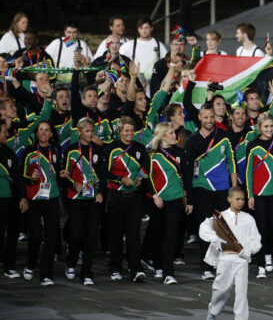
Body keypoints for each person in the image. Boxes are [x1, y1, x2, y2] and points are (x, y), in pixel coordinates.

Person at [184, 102, 237, 279]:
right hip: (201, 189)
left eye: (211, 117)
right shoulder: (192, 140)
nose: (209, 120)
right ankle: (206, 266)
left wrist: (234, 188)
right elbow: (188, 170)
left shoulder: (224, 136)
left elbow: (232, 162)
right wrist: (189, 196)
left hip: (223, 189)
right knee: (206, 228)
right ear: (199, 118)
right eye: (205, 117)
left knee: (224, 228)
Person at [200, 186, 261, 320]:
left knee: (241, 292)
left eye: (243, 199)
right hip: (225, 259)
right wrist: (215, 239)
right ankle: (213, 309)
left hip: (241, 261)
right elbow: (204, 227)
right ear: (229, 199)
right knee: (221, 289)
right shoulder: (220, 217)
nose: (241, 202)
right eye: (237, 199)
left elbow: (256, 239)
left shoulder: (249, 219)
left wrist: (250, 250)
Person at [101, 115, 149, 283]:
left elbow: (146, 167)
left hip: (135, 197)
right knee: (115, 234)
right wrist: (121, 180)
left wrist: (139, 178)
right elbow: (104, 172)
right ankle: (115, 267)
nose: (130, 133)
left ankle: (135, 269)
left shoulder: (140, 148)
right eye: (126, 130)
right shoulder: (111, 148)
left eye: (132, 130)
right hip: (116, 197)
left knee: (134, 235)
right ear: (119, 131)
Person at [148, 122, 193, 284]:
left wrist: (190, 201)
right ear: (163, 135)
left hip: (175, 200)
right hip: (157, 201)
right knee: (157, 235)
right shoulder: (151, 154)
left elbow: (188, 179)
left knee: (170, 236)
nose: (176, 136)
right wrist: (154, 195)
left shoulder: (182, 152)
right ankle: (159, 266)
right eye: (172, 133)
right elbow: (147, 178)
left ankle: (168, 272)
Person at [62, 118, 105, 285]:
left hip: (93, 199)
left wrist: (101, 193)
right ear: (79, 132)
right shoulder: (71, 150)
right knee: (76, 235)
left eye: (92, 131)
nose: (90, 134)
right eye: (87, 131)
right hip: (75, 199)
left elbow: (102, 174)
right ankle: (71, 262)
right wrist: (73, 184)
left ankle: (87, 272)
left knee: (92, 236)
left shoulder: (98, 150)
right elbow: (64, 174)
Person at [245, 113, 273, 278]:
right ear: (259, 128)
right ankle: (262, 263)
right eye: (266, 126)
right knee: (261, 229)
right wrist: (250, 195)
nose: (269, 129)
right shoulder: (253, 145)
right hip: (259, 195)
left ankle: (269, 250)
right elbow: (248, 171)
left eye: (271, 126)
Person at [22, 121, 62, 286]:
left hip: (52, 198)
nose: (44, 133)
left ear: (52, 134)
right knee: (36, 236)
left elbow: (59, 172)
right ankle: (30, 264)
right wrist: (30, 179)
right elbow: (22, 176)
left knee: (52, 237)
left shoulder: (57, 151)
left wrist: (63, 175)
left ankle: (46, 274)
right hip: (34, 198)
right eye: (41, 130)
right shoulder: (29, 152)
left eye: (47, 130)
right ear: (36, 133)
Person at [0, 120, 28, 279]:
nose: (6, 134)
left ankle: (9, 267)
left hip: (9, 200)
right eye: (3, 131)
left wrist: (23, 197)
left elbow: (18, 177)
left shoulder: (8, 153)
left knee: (12, 233)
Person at [119, 17, 168, 88]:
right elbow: (119, 60)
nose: (144, 31)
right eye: (141, 28)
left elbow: (166, 63)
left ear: (151, 28)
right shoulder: (129, 45)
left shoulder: (159, 45)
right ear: (138, 29)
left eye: (146, 28)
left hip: (154, 83)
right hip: (135, 83)